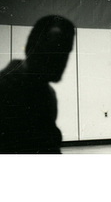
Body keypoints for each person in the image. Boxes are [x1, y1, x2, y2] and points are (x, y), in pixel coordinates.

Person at [0, 15, 75, 153]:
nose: (60, 61)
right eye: (53, 51)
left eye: (65, 52)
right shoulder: (4, 90)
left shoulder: (48, 93)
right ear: (30, 48)